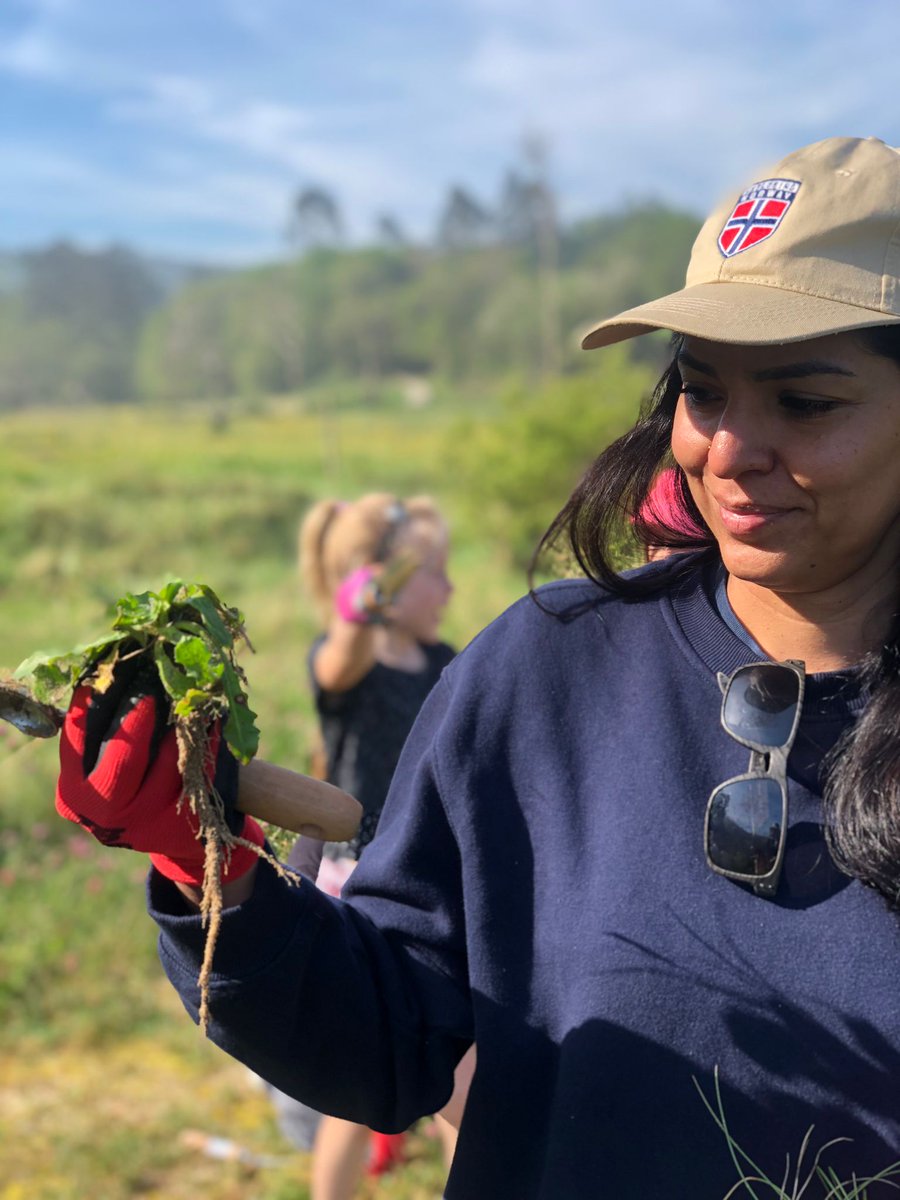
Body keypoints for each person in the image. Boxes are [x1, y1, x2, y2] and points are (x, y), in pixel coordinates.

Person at [54, 135, 900, 1197]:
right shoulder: (550, 671)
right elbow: (387, 1034)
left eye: (805, 403)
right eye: (701, 392)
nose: (727, 450)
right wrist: (208, 865)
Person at [275, 492, 461, 1197]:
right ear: (383, 581)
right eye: (434, 572)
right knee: (363, 1088)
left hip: (429, 882)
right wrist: (359, 605)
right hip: (361, 887)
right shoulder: (346, 664)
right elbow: (339, 659)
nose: (449, 589)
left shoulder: (442, 660)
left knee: (455, 1066)